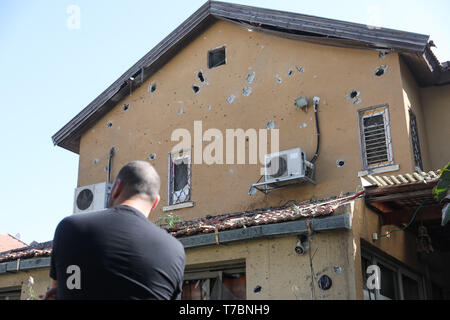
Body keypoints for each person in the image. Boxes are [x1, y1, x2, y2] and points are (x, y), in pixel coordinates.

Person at [44, 161, 185, 300]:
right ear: (155, 203)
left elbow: (60, 289)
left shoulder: (71, 228)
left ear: (117, 187)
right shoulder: (175, 250)